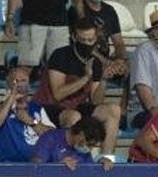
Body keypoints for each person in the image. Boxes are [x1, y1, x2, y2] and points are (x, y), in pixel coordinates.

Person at [31, 18, 121, 157]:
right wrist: (86, 78)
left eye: (90, 40)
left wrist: (103, 79)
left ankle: (106, 158)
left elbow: (96, 101)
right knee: (75, 117)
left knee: (113, 110)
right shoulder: (60, 55)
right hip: (49, 106)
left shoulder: (95, 61)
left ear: (96, 38)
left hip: (76, 106)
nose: (87, 44)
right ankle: (69, 157)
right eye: (82, 40)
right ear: (74, 37)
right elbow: (58, 94)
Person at [0, 66, 55, 163]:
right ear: (8, 84)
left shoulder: (37, 109)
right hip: (6, 165)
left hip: (33, 166)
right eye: (16, 81)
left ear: (28, 84)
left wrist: (31, 121)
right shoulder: (0, 106)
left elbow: (52, 136)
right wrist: (11, 98)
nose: (19, 84)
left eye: (23, 80)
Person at [69, 0, 127, 80]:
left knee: (130, 69)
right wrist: (107, 62)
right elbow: (82, 45)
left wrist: (121, 60)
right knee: (101, 73)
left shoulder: (109, 11)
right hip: (84, 60)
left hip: (106, 61)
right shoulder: (76, 10)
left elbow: (119, 42)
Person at [30, 116, 114, 171]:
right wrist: (57, 166)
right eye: (89, 144)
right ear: (81, 134)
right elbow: (35, 167)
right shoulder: (50, 138)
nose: (89, 149)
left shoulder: (83, 150)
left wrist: (100, 163)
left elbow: (89, 172)